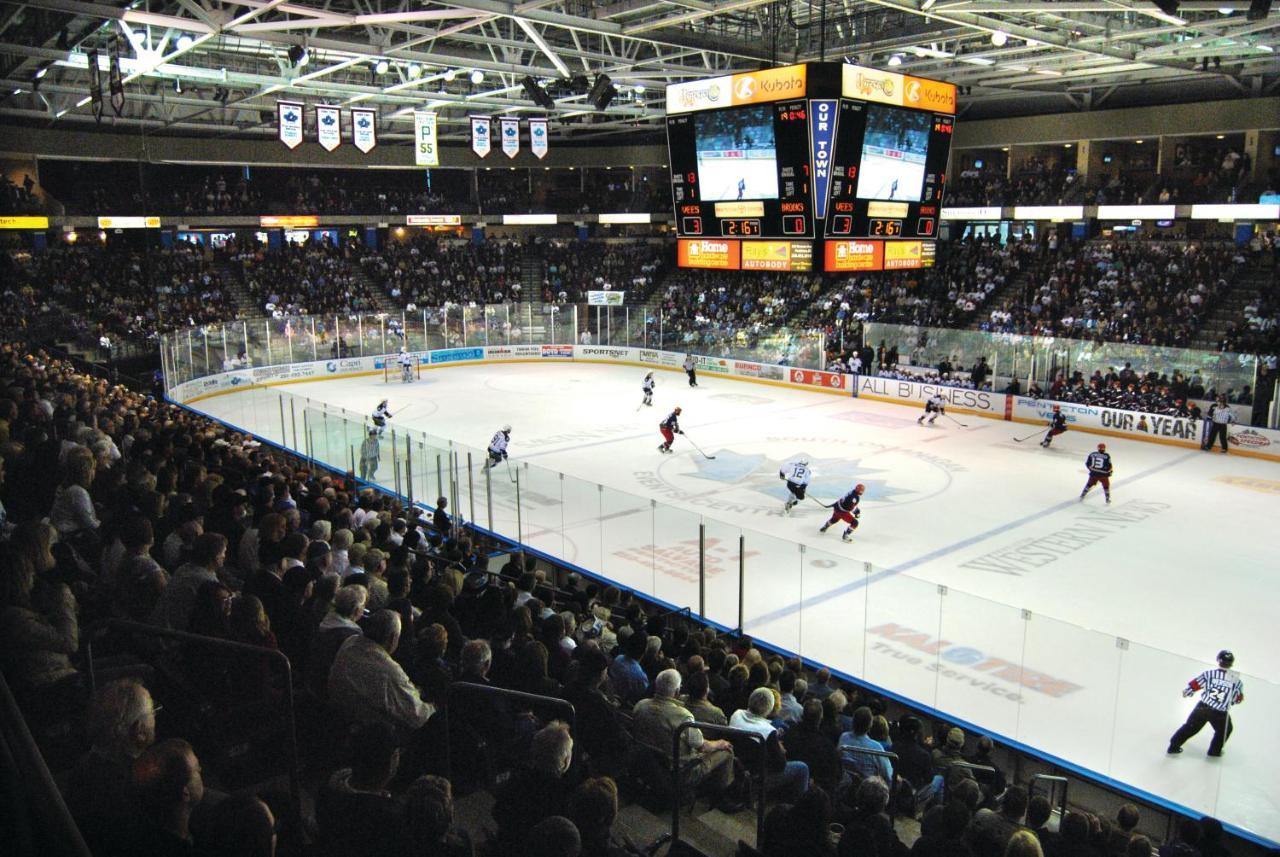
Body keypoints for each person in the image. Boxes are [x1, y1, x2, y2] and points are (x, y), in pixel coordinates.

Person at [1167, 649, 1243, 757]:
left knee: (1190, 727)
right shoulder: (1236, 681)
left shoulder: (1209, 674)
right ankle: (1214, 751)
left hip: (1203, 708)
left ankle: (1173, 746)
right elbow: (1237, 698)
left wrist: (1187, 691)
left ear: (1218, 660)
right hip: (1220, 713)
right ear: (1231, 664)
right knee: (1225, 731)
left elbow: (1195, 684)